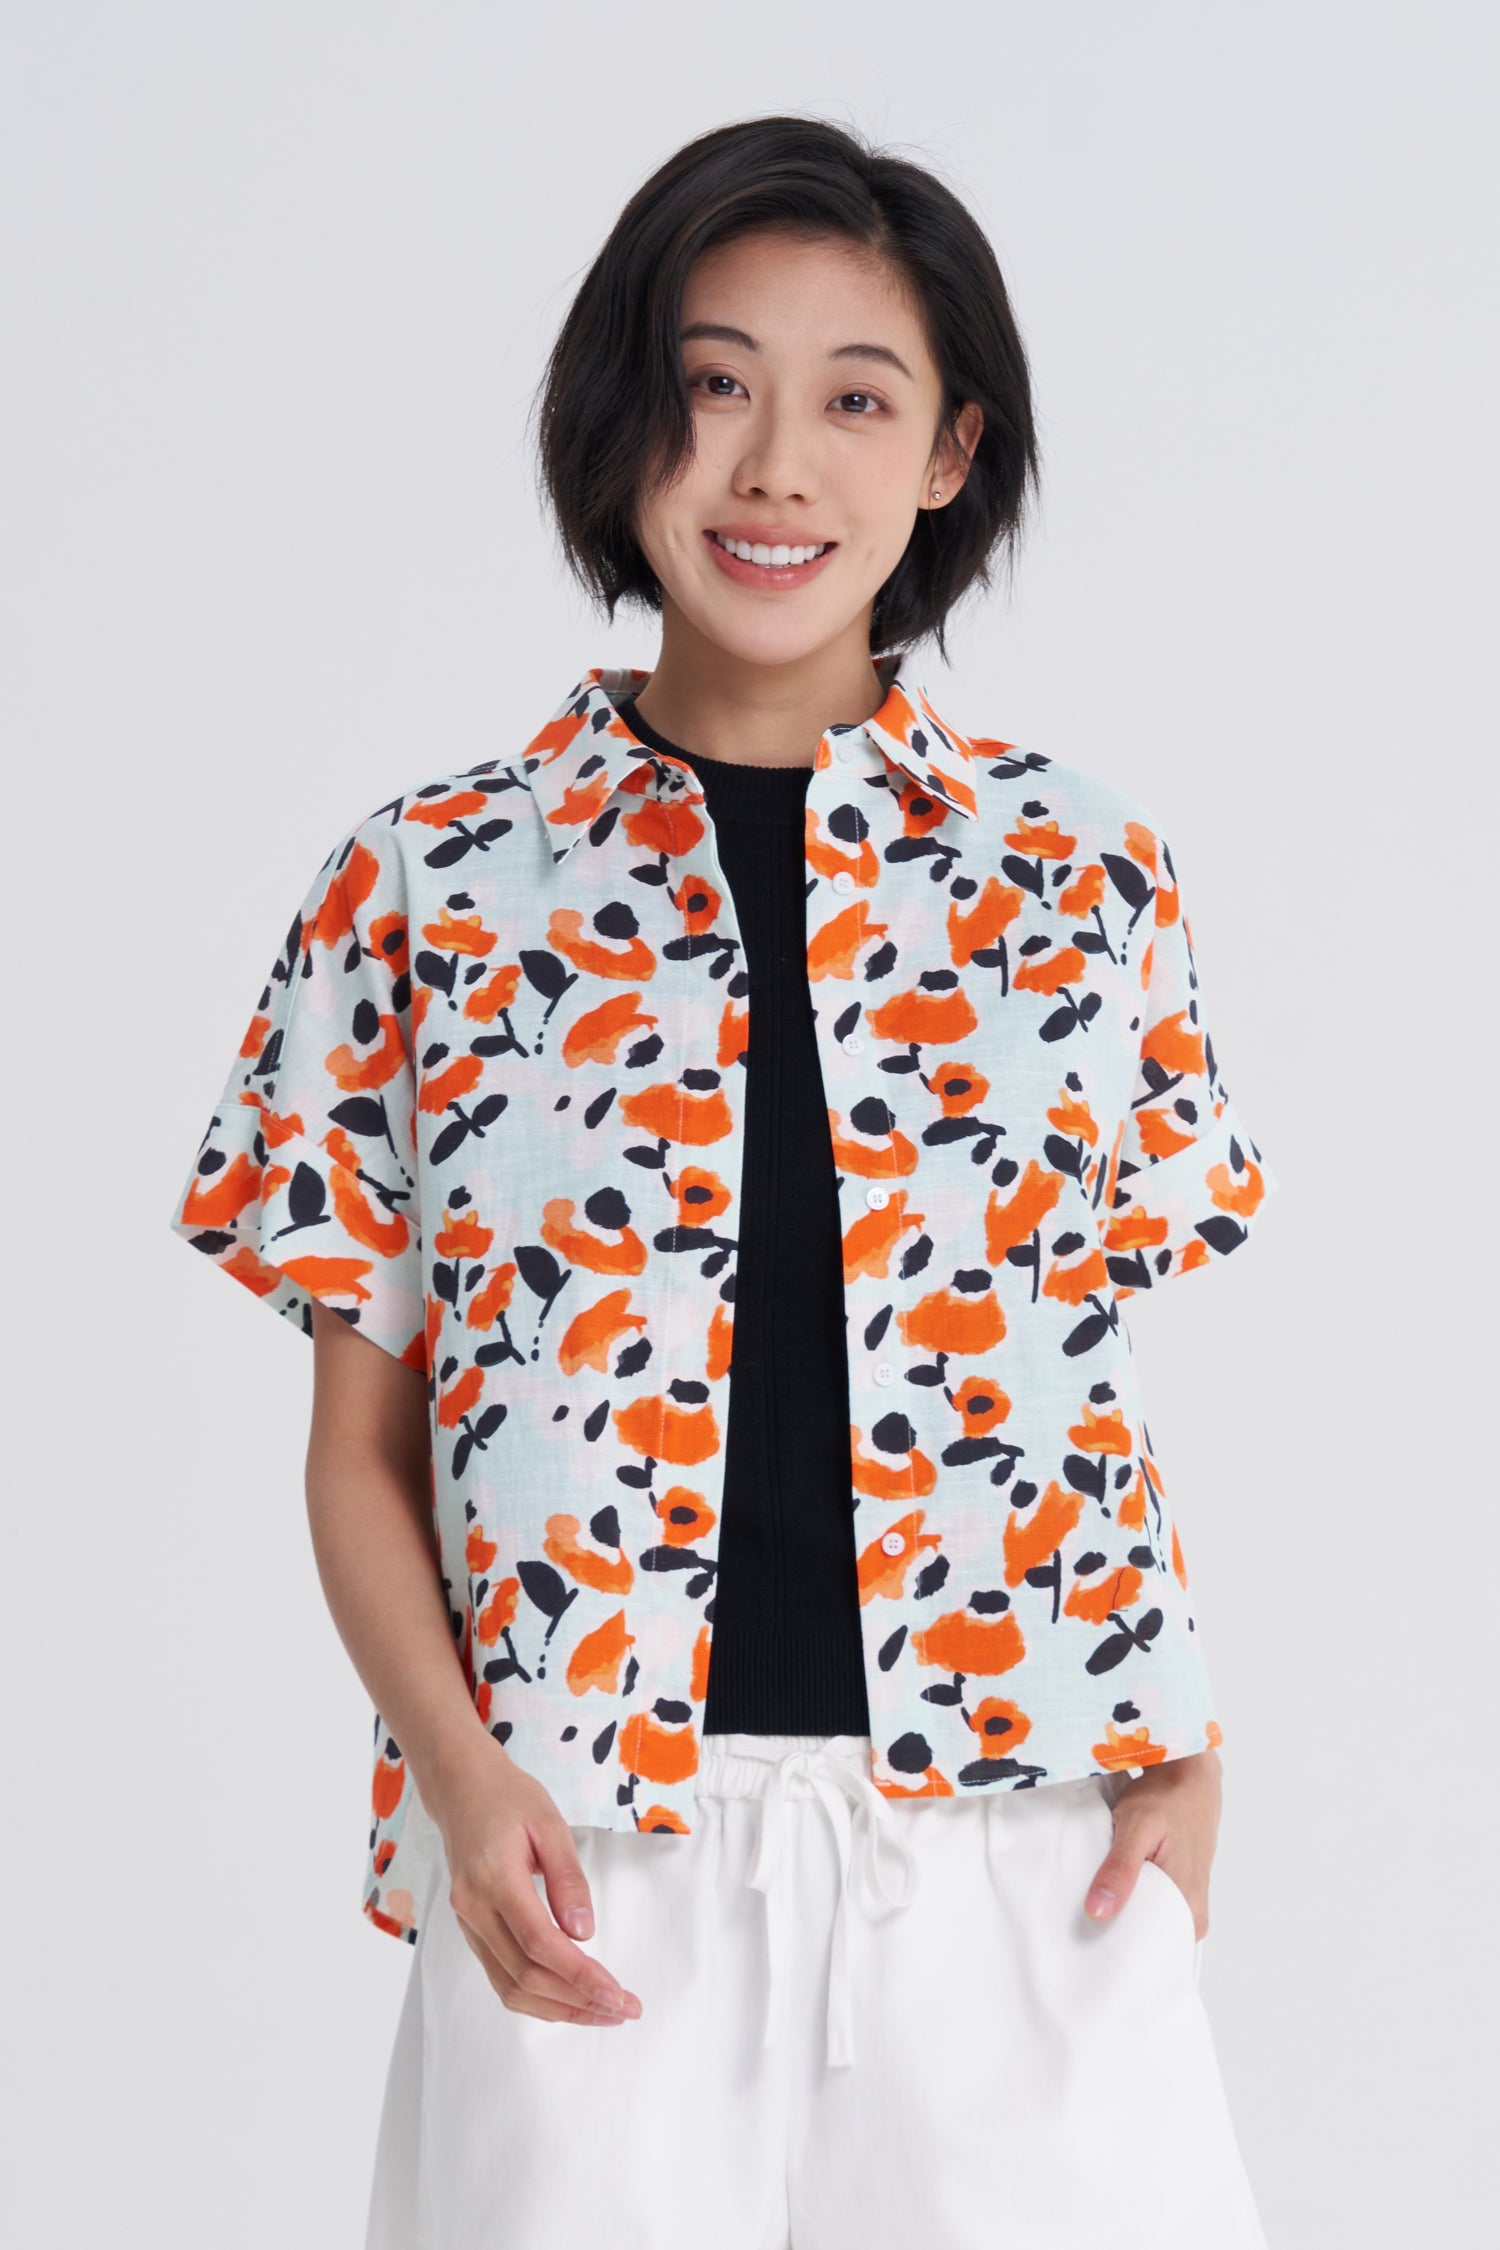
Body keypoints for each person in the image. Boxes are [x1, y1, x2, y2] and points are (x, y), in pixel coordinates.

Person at [168, 114, 1277, 2250]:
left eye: (857, 398)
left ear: (951, 452)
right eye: (714, 382)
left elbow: (1079, 1379)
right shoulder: (426, 892)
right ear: (626, 417)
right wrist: (461, 1778)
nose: (776, 467)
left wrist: (1177, 1733)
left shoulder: (1084, 880)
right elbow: (359, 1447)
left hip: (1029, 1840)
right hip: (584, 1858)